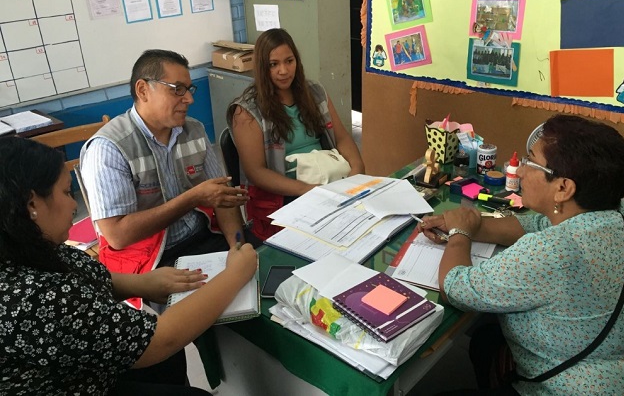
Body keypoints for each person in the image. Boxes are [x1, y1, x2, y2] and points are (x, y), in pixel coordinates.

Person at [0, 136, 258, 395]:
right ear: (32, 204)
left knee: (168, 365)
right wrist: (236, 273)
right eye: (67, 193)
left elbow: (87, 275)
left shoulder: (32, 249)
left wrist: (142, 283)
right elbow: (162, 339)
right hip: (73, 385)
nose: (73, 205)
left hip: (82, 367)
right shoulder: (33, 298)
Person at [418, 114, 624, 395]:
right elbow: (529, 224)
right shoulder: (618, 211)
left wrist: (459, 236)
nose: (519, 170)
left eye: (530, 161)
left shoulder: (555, 250)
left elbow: (456, 287)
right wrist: (471, 224)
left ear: (563, 188)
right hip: (623, 367)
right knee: (486, 339)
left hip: (569, 387)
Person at [80, 49, 252, 308]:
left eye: (190, 89)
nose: (189, 99)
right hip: (148, 262)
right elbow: (117, 235)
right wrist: (193, 197)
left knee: (254, 274)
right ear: (143, 90)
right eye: (177, 89)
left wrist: (236, 246)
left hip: (201, 236)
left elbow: (222, 197)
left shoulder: (193, 129)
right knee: (187, 321)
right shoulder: (110, 148)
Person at [227, 28, 365, 240]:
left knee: (362, 228)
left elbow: (343, 137)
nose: (283, 70)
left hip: (327, 183)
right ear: (263, 68)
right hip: (285, 196)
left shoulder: (315, 92)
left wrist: (356, 172)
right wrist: (306, 189)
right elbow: (256, 172)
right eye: (274, 64)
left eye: (289, 61)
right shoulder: (246, 111)